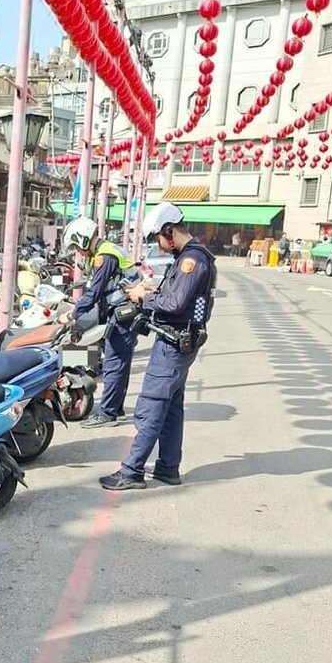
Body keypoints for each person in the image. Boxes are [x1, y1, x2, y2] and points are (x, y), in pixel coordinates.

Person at [99, 202, 217, 490]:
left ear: (169, 230)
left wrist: (143, 297)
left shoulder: (192, 260)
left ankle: (131, 471)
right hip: (180, 341)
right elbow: (181, 297)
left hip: (173, 344)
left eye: (157, 238)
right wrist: (152, 290)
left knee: (151, 405)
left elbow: (175, 304)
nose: (159, 245)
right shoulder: (191, 257)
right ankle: (167, 467)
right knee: (172, 407)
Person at [62, 216, 139, 429]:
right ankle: (116, 409)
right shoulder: (105, 251)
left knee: (114, 364)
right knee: (119, 364)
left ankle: (107, 414)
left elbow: (94, 292)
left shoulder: (105, 257)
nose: (78, 251)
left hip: (123, 314)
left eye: (77, 246)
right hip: (122, 312)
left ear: (84, 238)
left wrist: (72, 313)